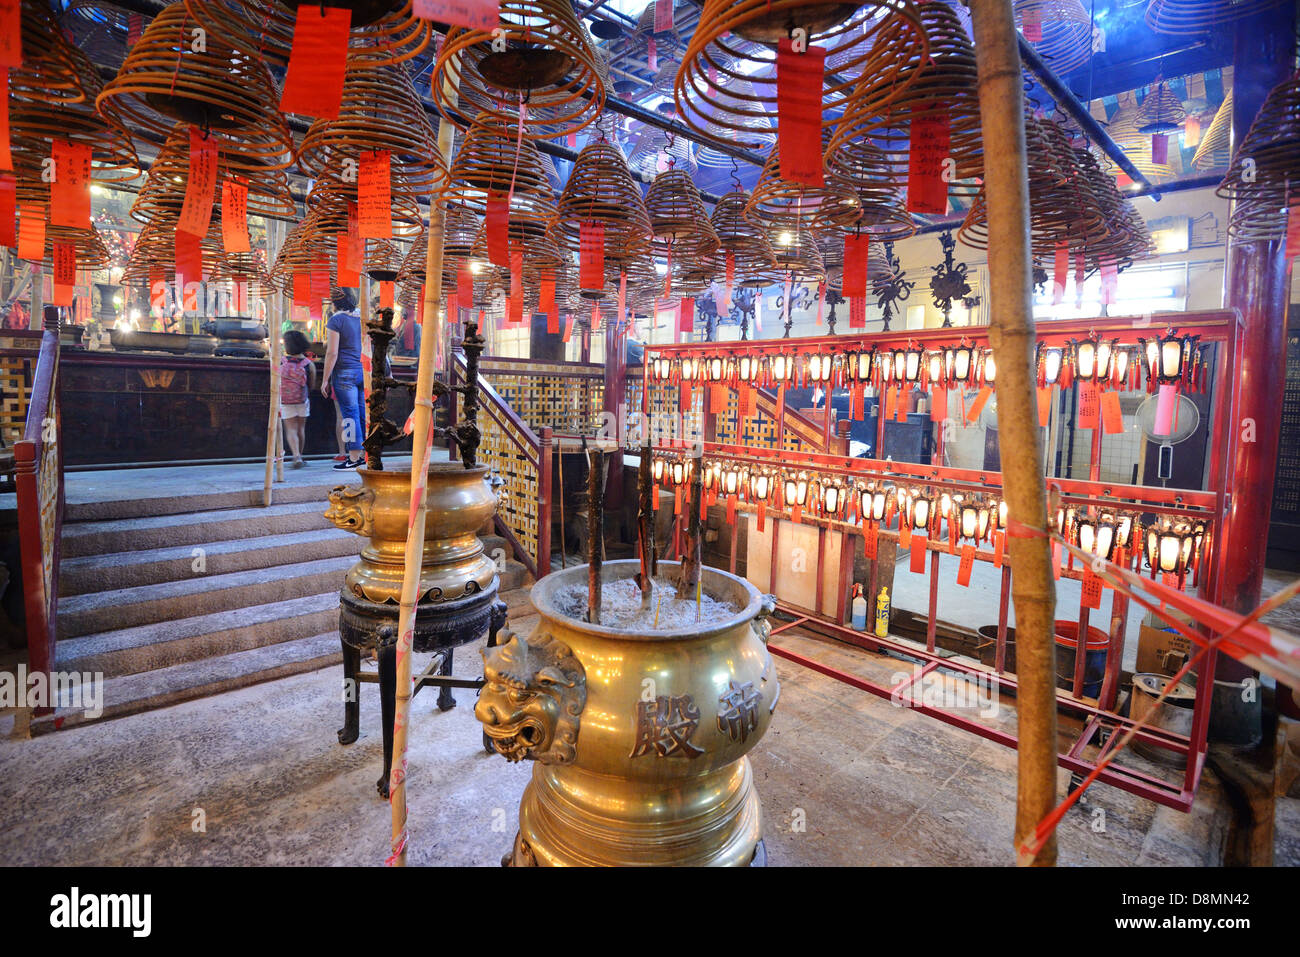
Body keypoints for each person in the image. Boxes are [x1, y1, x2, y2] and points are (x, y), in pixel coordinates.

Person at [322, 288, 366, 470]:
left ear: (334, 302)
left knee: (349, 416)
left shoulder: (336, 320)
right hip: (363, 371)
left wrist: (325, 379)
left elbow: (332, 353)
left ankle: (353, 457)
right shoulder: (362, 319)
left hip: (344, 372)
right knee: (362, 415)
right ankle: (363, 454)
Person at [279, 330, 316, 469]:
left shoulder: (281, 361)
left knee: (291, 429)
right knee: (301, 428)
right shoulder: (308, 364)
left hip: (285, 400)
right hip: (302, 400)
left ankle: (296, 456)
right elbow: (311, 384)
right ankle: (300, 455)